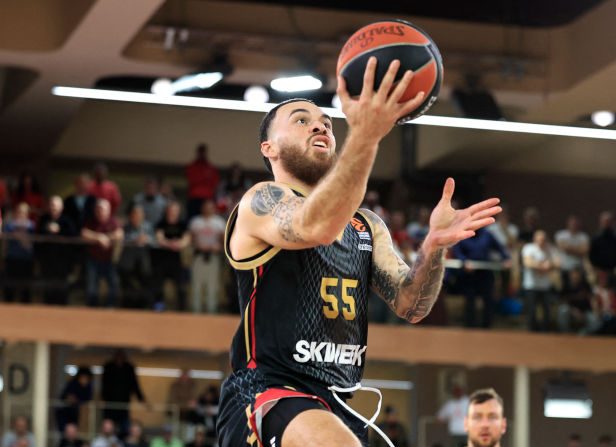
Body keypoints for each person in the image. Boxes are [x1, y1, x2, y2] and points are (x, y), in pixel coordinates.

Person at [216, 58, 501, 447]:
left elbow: (411, 305)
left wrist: (433, 247)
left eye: (327, 123)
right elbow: (316, 226)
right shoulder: (261, 201)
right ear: (269, 148)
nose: (320, 125)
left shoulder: (367, 226)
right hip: (267, 392)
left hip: (335, 401)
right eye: (301, 120)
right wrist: (366, 135)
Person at [81, 199, 123, 307]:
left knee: (114, 285)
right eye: (98, 209)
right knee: (92, 288)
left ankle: (110, 307)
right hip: (93, 260)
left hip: (109, 261)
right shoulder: (91, 221)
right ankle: (92, 308)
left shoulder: (113, 222)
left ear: (108, 211)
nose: (100, 212)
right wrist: (99, 237)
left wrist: (106, 238)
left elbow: (119, 234)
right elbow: (84, 233)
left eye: (103, 210)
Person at [36, 195, 77, 305]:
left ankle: (62, 306)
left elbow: (73, 236)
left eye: (56, 206)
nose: (53, 208)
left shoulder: (67, 220)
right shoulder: (44, 219)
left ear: (61, 207)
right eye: (52, 205)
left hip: (62, 259)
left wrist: (59, 230)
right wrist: (47, 229)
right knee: (48, 284)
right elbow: (37, 236)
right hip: (47, 258)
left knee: (62, 284)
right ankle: (47, 304)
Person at [188, 199, 226, 313]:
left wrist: (218, 247)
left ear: (214, 208)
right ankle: (196, 311)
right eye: (205, 206)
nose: (208, 209)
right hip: (198, 256)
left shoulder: (219, 222)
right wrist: (197, 245)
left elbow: (224, 241)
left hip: (213, 256)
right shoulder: (196, 221)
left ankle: (212, 311)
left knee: (212, 286)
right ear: (202, 208)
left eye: (210, 207)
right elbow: (191, 239)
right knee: (196, 285)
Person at [101, 350, 147, 437]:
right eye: (118, 357)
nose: (119, 359)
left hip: (123, 404)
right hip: (110, 403)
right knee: (108, 426)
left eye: (121, 357)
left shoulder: (129, 368)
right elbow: (104, 384)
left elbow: (135, 385)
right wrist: (103, 398)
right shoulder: (109, 367)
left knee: (124, 429)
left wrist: (141, 399)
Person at [185, 144, 220, 220]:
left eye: (203, 152)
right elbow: (192, 180)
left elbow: (214, 183)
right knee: (192, 220)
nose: (202, 154)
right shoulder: (192, 167)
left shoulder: (211, 168)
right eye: (200, 152)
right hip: (195, 198)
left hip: (207, 198)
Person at [56, 366, 93, 431]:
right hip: (64, 411)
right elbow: (63, 396)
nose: (84, 380)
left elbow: (88, 398)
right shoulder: (72, 383)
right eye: (82, 377)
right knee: (64, 430)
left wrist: (78, 400)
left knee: (74, 430)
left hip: (76, 412)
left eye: (86, 378)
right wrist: (69, 398)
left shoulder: (88, 387)